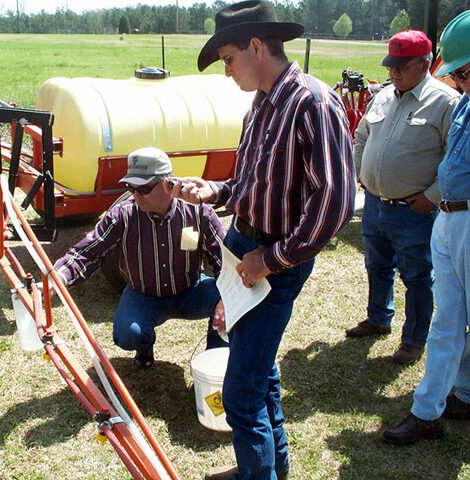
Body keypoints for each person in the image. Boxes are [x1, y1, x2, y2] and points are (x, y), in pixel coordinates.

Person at [166, 2, 356, 478]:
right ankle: (271, 468)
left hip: (273, 261)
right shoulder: (262, 104)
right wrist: (216, 190)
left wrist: (269, 261)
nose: (227, 71)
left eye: (228, 58)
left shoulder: (314, 103)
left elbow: (332, 206)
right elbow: (253, 184)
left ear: (256, 46)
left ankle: (258, 473)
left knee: (241, 391)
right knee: (260, 372)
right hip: (244, 248)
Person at [52, 146, 227, 370]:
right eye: (130, 187)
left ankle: (215, 361)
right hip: (143, 295)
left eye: (143, 188)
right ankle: (144, 347)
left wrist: (226, 300)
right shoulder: (122, 215)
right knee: (127, 334)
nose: (136, 195)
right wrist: (58, 277)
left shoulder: (198, 213)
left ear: (169, 183)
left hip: (191, 290)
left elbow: (223, 258)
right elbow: (88, 251)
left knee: (231, 305)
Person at [345, 30, 460, 364]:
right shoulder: (383, 95)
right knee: (376, 264)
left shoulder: (446, 102)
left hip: (414, 209)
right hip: (376, 204)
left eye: (401, 66)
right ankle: (379, 317)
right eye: (390, 65)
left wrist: (433, 197)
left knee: (417, 276)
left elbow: (455, 158)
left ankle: (413, 339)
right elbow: (362, 135)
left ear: (425, 64)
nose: (393, 72)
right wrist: (356, 175)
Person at [383, 9, 470, 445]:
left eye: (467, 72)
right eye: (459, 73)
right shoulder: (465, 105)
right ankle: (434, 408)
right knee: (448, 320)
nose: (460, 80)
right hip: (451, 219)